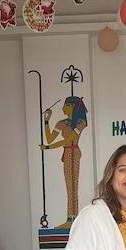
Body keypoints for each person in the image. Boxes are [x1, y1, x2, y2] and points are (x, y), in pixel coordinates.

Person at [41, 95, 89, 228]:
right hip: (67, 154)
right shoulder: (61, 123)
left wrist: (47, 148)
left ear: (73, 107)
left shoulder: (80, 123)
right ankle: (71, 218)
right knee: (70, 187)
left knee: (73, 187)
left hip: (74, 153)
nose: (63, 108)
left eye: (65, 106)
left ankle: (72, 219)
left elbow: (68, 140)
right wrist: (46, 121)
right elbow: (50, 138)